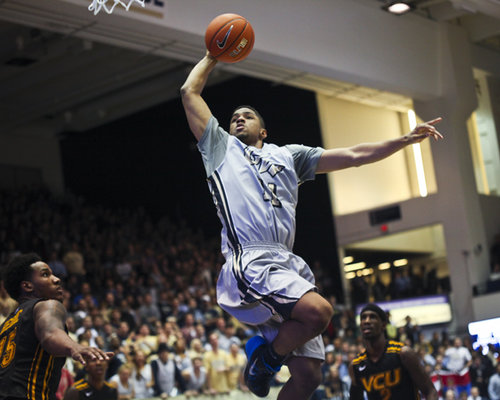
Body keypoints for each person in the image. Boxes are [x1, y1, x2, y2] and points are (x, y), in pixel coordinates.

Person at [180, 52, 443, 399]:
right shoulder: (220, 149)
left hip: (286, 263)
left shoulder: (289, 156)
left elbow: (353, 156)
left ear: (264, 130)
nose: (238, 119)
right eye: (233, 118)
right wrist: (214, 55)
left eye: (247, 116)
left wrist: (403, 140)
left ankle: (266, 356)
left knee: (308, 377)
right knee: (319, 312)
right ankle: (265, 360)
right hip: (251, 261)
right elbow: (189, 92)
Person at [0, 253, 113, 400]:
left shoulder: (6, 325)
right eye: (45, 275)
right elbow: (50, 333)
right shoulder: (46, 305)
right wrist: (74, 346)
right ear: (27, 286)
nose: (57, 279)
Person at [348, 303, 438, 400]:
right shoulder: (356, 365)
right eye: (363, 318)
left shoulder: (403, 353)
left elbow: (430, 391)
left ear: (383, 325)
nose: (367, 321)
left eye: (372, 317)